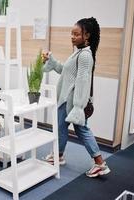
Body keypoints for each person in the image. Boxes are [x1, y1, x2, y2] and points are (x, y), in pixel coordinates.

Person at [42, 17, 110, 178]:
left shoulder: (85, 55)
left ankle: (100, 164)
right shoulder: (79, 53)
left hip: (71, 102)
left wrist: (78, 107)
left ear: (86, 35)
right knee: (64, 128)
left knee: (80, 130)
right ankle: (58, 156)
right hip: (68, 100)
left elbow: (82, 82)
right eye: (71, 33)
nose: (72, 37)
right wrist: (52, 61)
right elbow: (66, 73)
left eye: (76, 34)